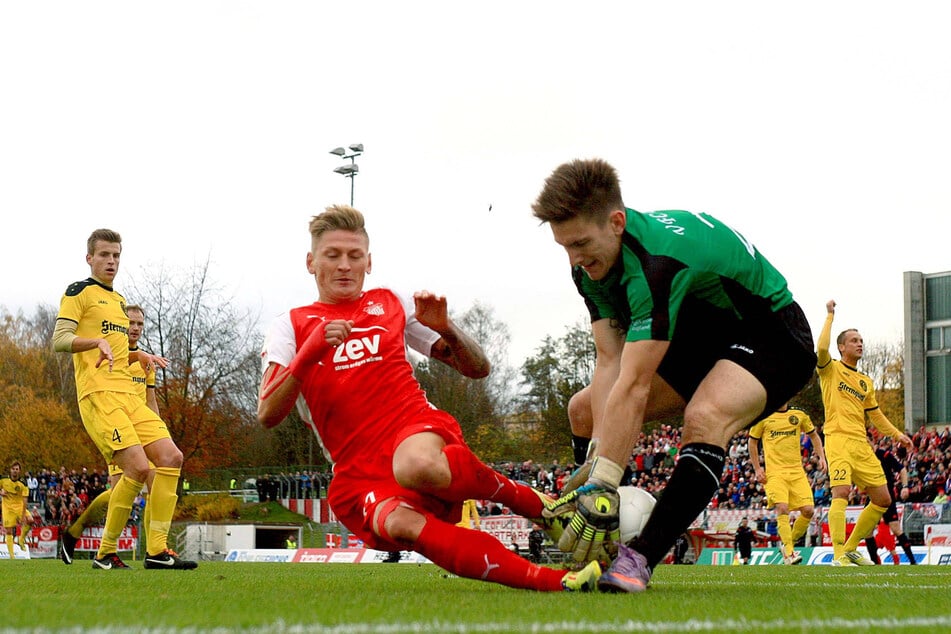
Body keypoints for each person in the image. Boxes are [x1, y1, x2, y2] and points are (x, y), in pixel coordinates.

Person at [257, 205, 599, 592]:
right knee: (400, 524)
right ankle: (557, 582)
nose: (344, 266)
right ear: (310, 262)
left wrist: (448, 329)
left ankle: (533, 504)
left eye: (354, 256)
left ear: (369, 262)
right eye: (332, 256)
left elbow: (478, 368)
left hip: (412, 426)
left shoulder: (390, 302)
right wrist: (308, 354)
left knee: (417, 464)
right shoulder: (290, 325)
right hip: (357, 468)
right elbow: (268, 412)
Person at [532, 158, 816, 593]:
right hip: (702, 339)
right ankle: (599, 540)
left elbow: (634, 384)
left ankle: (639, 558)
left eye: (581, 243)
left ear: (616, 222)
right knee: (583, 411)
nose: (574, 259)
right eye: (564, 246)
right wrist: (596, 463)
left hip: (773, 333)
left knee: (705, 416)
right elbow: (610, 361)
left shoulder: (656, 265)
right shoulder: (590, 267)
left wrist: (603, 479)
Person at [52, 228, 195, 570]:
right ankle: (104, 552)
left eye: (116, 255)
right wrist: (94, 343)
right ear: (90, 258)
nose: (111, 261)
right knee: (138, 468)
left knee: (171, 457)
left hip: (127, 397)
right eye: (104, 255)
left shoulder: (118, 302)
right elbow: (59, 339)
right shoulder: (79, 292)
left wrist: (138, 356)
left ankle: (157, 552)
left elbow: (117, 353)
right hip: (99, 396)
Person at [60, 304, 189, 566]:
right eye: (131, 322)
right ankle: (79, 533)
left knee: (157, 479)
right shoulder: (111, 357)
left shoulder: (145, 363)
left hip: (140, 422)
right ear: (120, 323)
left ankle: (156, 549)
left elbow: (150, 401)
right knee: (122, 487)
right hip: (114, 421)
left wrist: (159, 431)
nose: (135, 328)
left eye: (140, 324)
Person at [816, 299, 914, 566]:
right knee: (842, 491)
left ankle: (849, 549)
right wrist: (829, 316)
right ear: (842, 347)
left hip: (860, 443)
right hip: (836, 439)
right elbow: (821, 347)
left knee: (882, 498)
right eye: (854, 340)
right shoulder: (830, 370)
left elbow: (876, 415)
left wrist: (897, 435)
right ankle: (838, 555)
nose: (860, 343)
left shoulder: (865, 382)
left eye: (861, 340)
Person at [748, 403, 827, 565]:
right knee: (782, 508)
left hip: (797, 472)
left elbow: (814, 435)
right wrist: (757, 468)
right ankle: (790, 552)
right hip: (775, 473)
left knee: (808, 510)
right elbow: (752, 442)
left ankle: (788, 543)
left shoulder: (799, 415)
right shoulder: (763, 416)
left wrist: (821, 457)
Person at [863, 439, 917, 564]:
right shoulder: (864, 458)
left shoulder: (884, 455)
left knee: (896, 528)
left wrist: (905, 487)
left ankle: (913, 561)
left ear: (872, 442)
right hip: (872, 495)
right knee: (867, 530)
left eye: (866, 442)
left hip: (887, 496)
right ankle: (874, 563)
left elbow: (902, 470)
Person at [0, 461, 34, 559]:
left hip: (19, 507)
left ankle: (21, 539)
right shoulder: (3, 479)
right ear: (10, 470)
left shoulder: (23, 483)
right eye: (13, 469)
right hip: (8, 508)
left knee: (30, 520)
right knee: (9, 531)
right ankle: (12, 557)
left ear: (19, 471)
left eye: (17, 469)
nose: (15, 471)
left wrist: (23, 516)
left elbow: (25, 500)